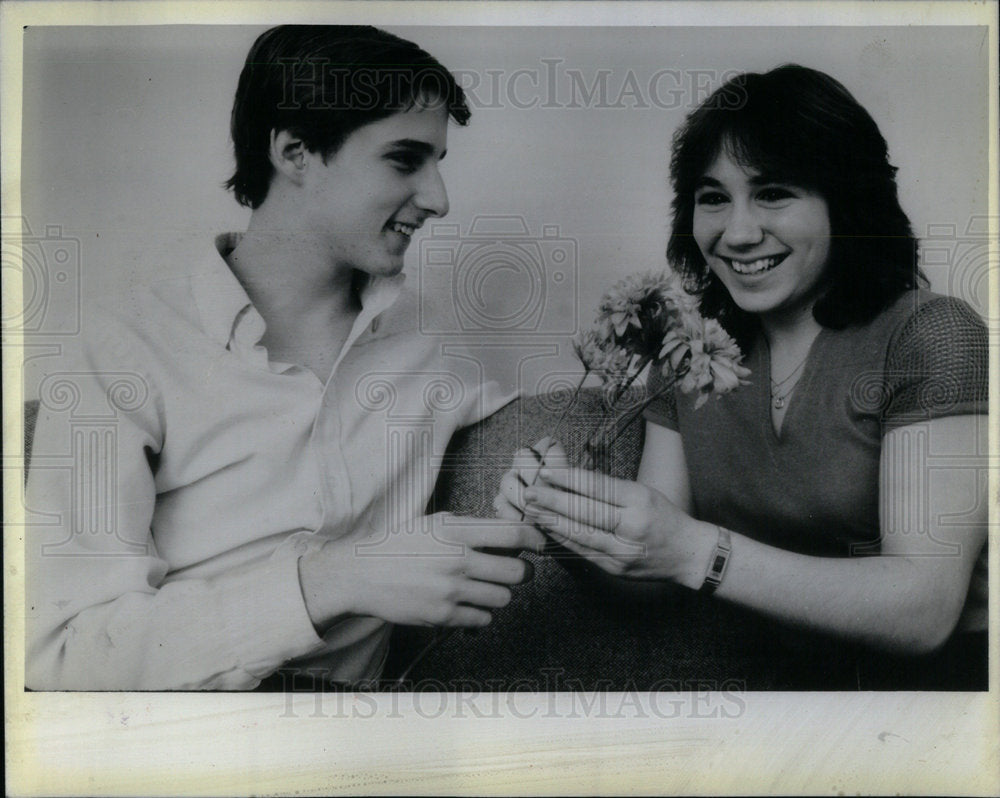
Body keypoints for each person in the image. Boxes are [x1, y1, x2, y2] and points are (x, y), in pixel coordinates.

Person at [25, 25, 544, 690]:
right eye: (405, 160)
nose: (440, 199)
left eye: (439, 162)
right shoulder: (123, 348)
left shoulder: (427, 342)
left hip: (353, 748)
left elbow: (539, 433)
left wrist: (541, 473)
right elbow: (59, 656)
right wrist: (333, 579)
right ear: (295, 151)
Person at [497, 65, 988, 689]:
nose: (739, 232)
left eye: (775, 192)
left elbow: (924, 611)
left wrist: (696, 549)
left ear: (848, 199)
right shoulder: (683, 355)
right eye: (713, 198)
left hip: (945, 701)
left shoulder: (933, 335)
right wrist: (563, 521)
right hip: (775, 697)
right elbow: (655, 585)